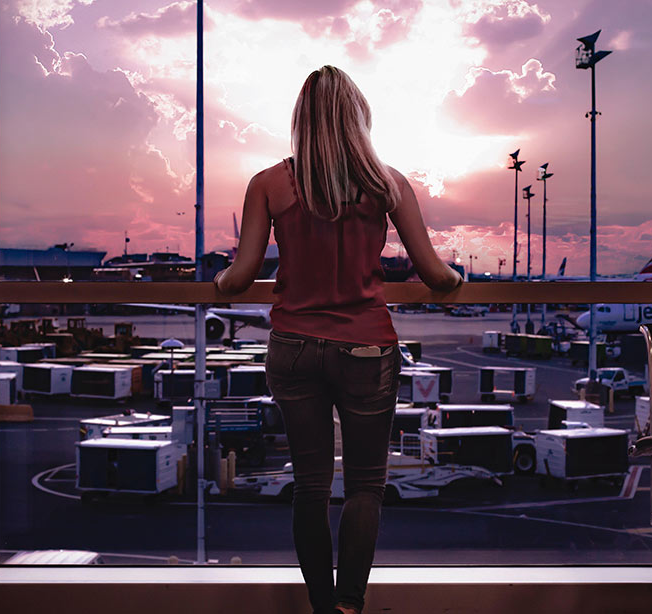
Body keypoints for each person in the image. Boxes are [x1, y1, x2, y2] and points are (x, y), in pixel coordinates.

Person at [213, 65, 463, 614]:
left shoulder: (270, 184)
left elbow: (241, 274)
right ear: (358, 116)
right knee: (366, 487)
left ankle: (321, 607)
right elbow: (434, 274)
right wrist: (456, 281)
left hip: (294, 346)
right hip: (367, 347)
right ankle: (350, 605)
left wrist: (219, 282)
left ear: (301, 119)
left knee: (308, 485)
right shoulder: (386, 183)